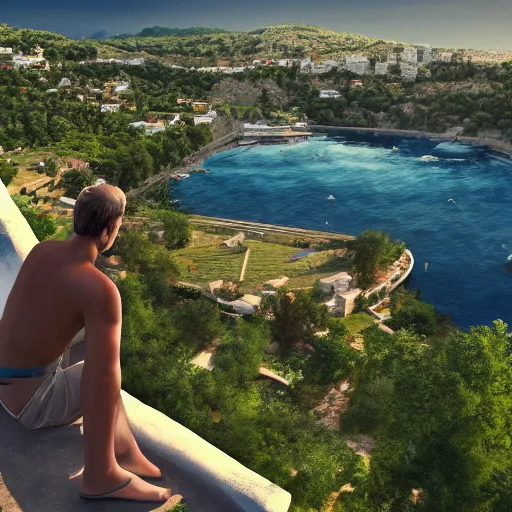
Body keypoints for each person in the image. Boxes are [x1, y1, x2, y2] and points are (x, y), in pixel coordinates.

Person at [0, 185, 175, 503]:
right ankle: (103, 475)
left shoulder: (43, 252)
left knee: (92, 357)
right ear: (110, 229)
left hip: (5, 385)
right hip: (30, 404)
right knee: (105, 377)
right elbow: (103, 378)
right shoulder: (99, 289)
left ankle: (125, 451)